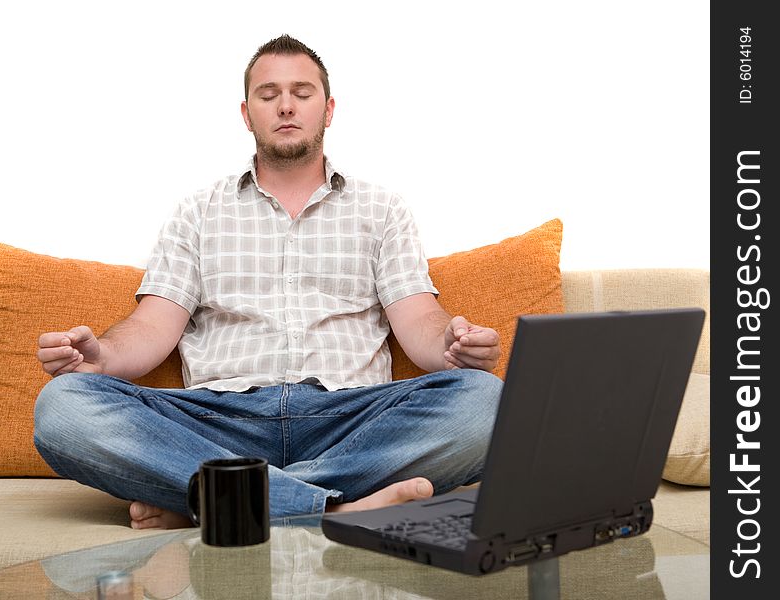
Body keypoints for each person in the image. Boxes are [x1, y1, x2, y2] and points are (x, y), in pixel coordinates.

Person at [34, 34, 503, 530]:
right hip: (218, 421)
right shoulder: (198, 211)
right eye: (268, 94)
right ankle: (330, 510)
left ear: (328, 110)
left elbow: (418, 320)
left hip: (348, 420)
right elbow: (152, 325)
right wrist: (101, 358)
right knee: (63, 406)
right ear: (246, 112)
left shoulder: (382, 209)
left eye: (302, 93)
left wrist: (451, 346)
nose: (285, 106)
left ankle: (218, 500)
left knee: (483, 400)